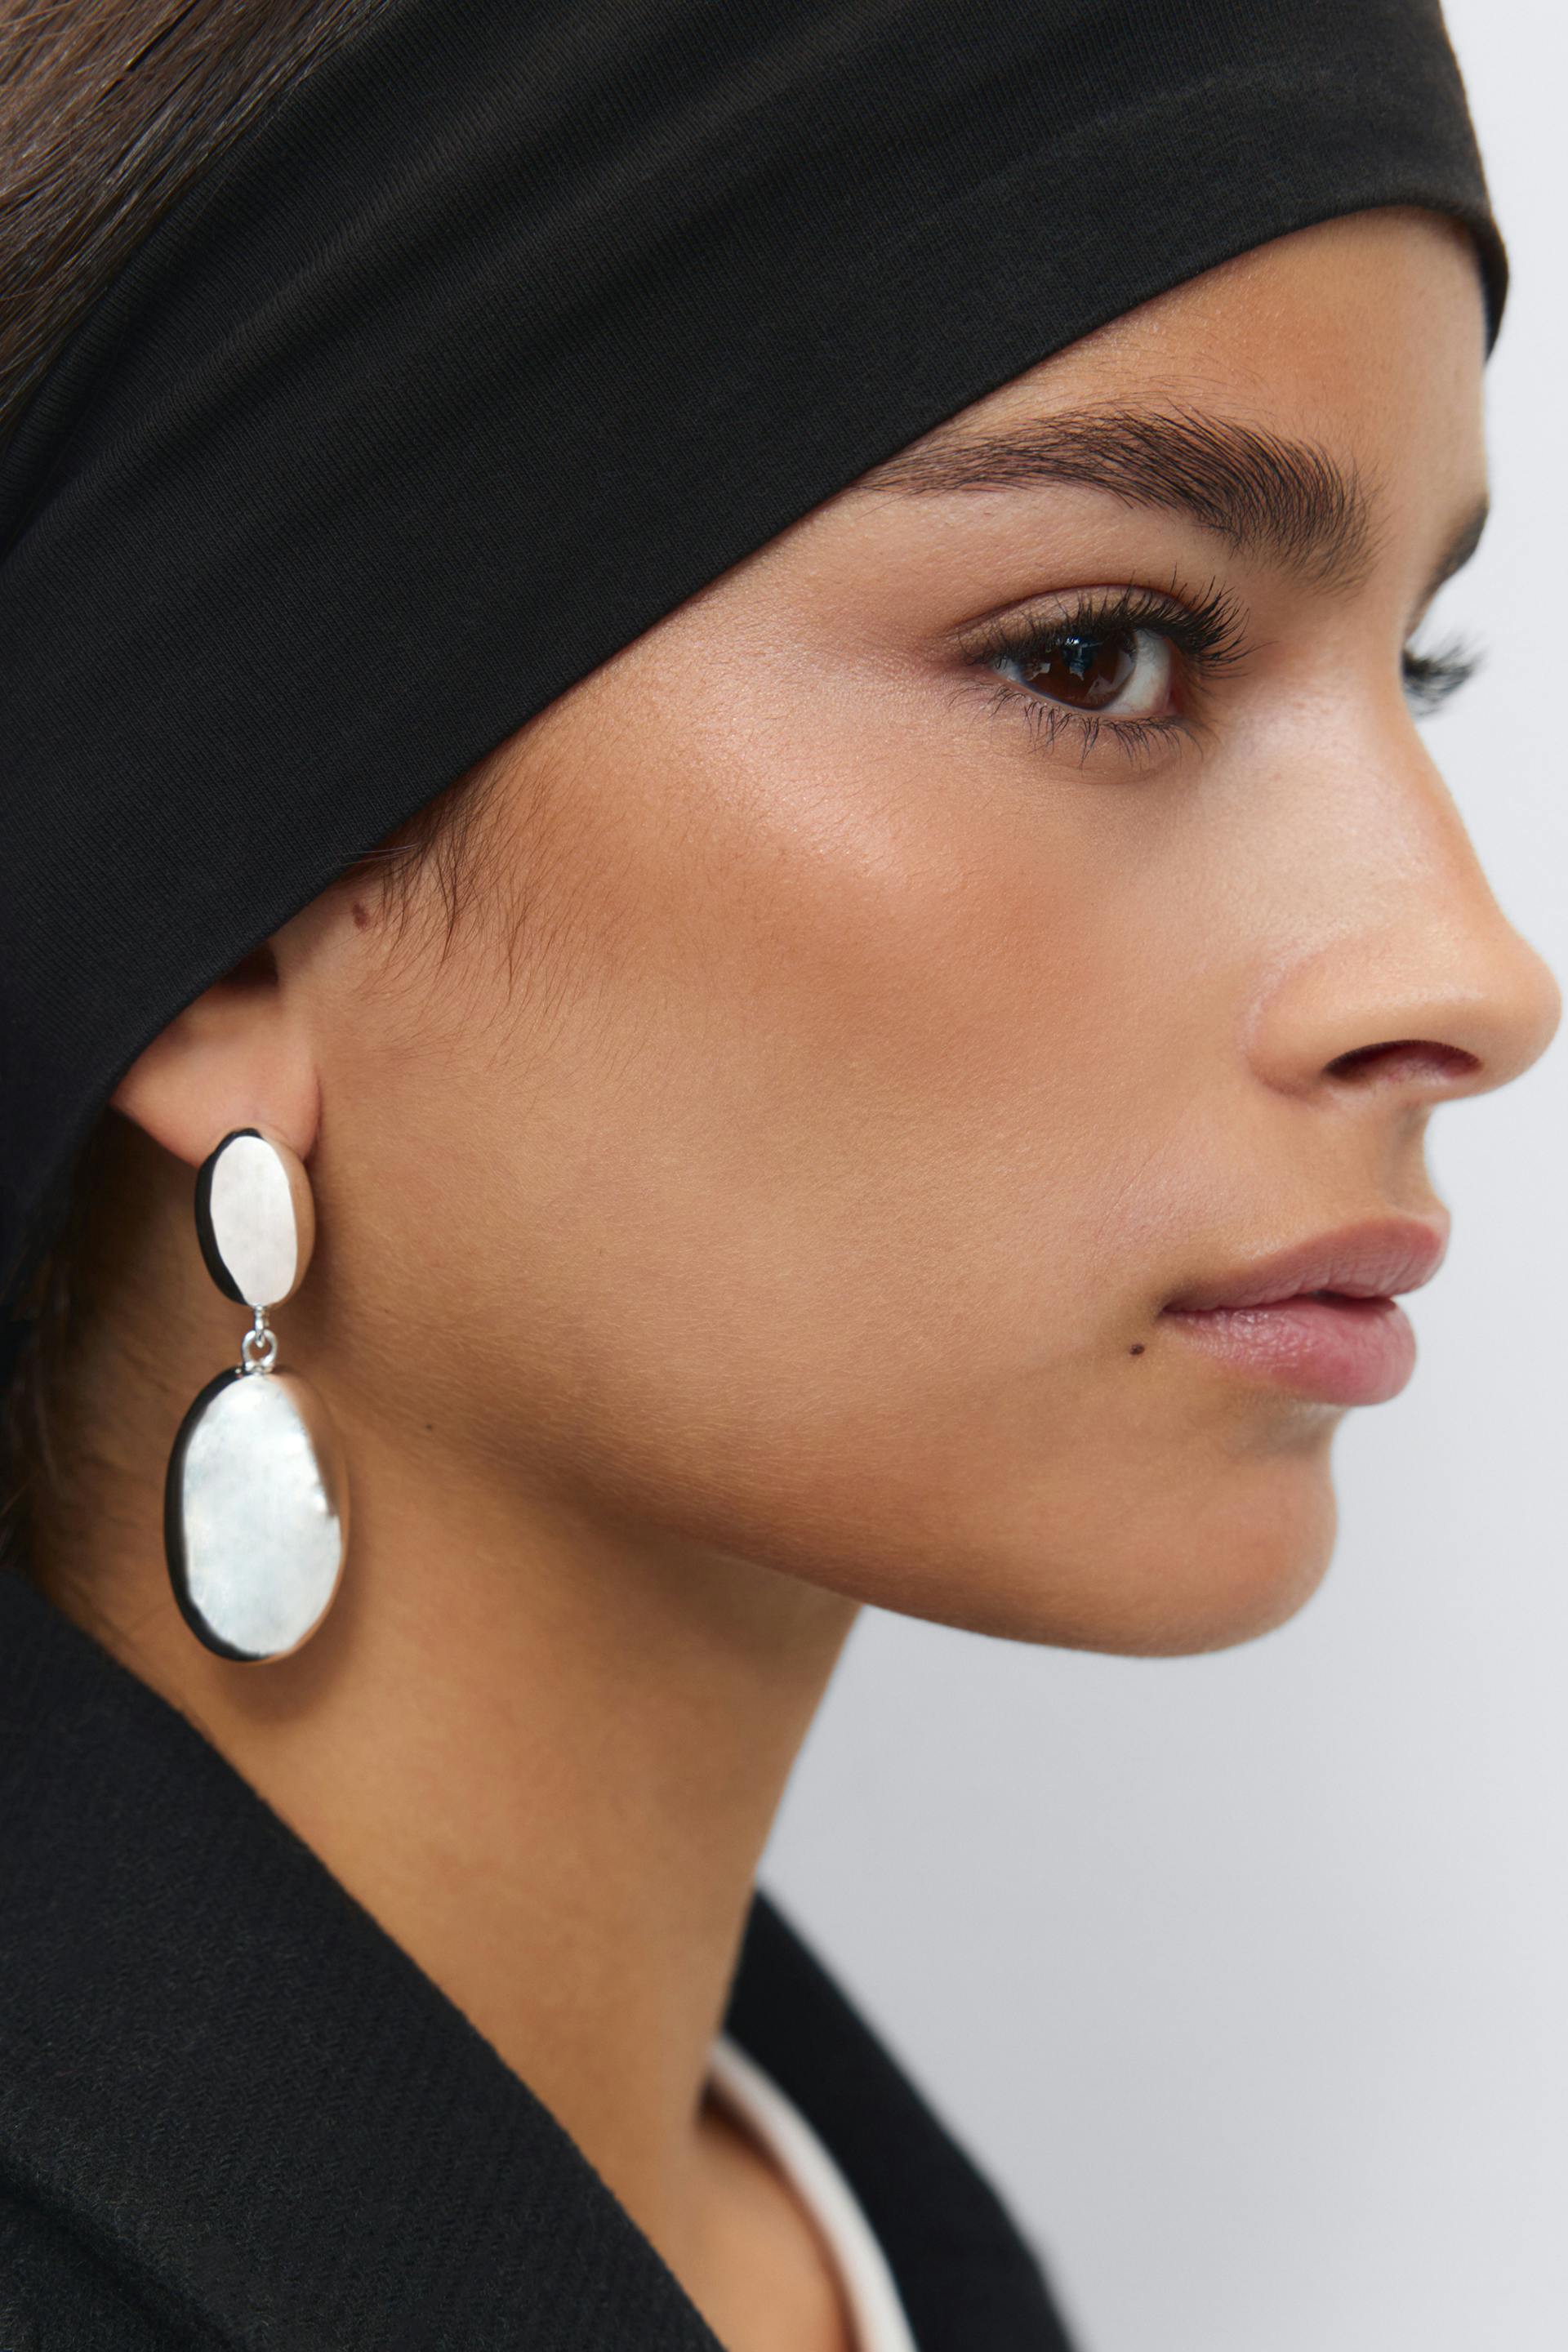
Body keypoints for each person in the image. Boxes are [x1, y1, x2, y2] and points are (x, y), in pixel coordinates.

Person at [0, 3, 1557, 2346]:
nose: (1473, 972)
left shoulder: (844, 2240)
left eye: (1414, 669)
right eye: (1103, 656)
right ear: (232, 909)